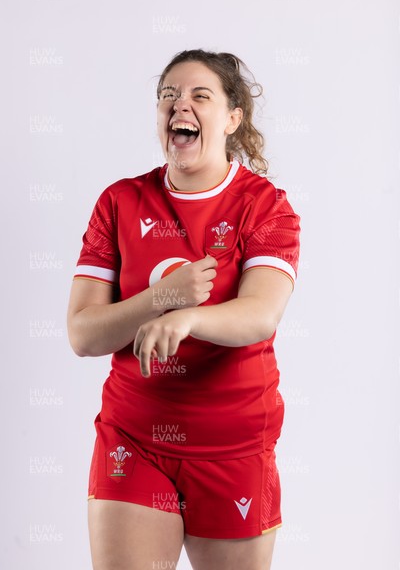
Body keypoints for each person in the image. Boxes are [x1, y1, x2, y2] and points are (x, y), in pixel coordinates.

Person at [67, 49, 300, 570]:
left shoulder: (264, 206)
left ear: (233, 118)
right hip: (134, 438)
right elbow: (84, 334)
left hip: (234, 446)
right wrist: (163, 298)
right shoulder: (119, 202)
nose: (180, 106)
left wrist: (189, 318)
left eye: (200, 95)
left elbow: (260, 314)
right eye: (168, 96)